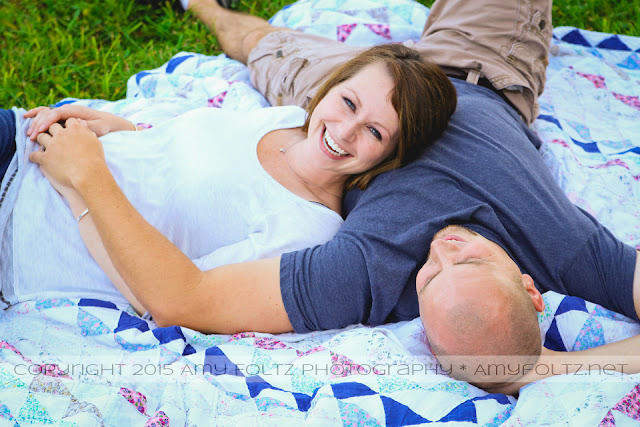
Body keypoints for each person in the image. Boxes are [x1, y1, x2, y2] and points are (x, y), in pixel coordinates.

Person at [177, 0, 640, 390]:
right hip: (471, 69)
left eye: (431, 276)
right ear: (530, 287)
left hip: (357, 110)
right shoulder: (569, 249)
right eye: (472, 261)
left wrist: (518, 373)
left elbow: (189, 297)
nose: (442, 250)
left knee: (263, 47)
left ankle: (202, 4)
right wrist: (545, 367)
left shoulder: (362, 272)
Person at [0, 43, 456, 317]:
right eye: (349, 102)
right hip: (25, 141)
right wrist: (110, 126)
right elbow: (176, 153)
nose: (344, 130)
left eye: (375, 132)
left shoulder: (308, 230)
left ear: (393, 155)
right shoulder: (286, 119)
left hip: (18, 231)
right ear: (333, 85)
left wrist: (81, 179)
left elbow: (160, 299)